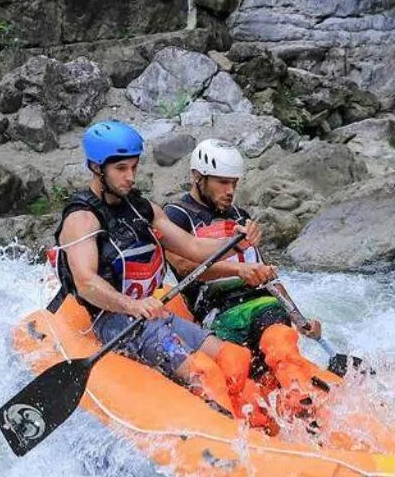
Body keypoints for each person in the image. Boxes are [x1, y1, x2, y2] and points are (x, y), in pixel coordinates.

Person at [52, 120, 262, 421]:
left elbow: (192, 247)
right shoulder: (82, 219)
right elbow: (86, 283)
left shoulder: (141, 208)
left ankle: (256, 420)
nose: (130, 177)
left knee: (234, 356)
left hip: (153, 312)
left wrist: (238, 242)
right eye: (121, 169)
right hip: (114, 320)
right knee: (203, 373)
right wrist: (132, 305)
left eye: (134, 168)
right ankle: (229, 433)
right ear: (98, 168)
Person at [163, 139, 329, 420]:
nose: (230, 191)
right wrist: (238, 271)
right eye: (222, 183)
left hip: (260, 304)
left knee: (278, 335)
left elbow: (265, 272)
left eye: (234, 184)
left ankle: (299, 401)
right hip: (216, 313)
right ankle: (260, 419)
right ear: (197, 177)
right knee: (242, 372)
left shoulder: (242, 217)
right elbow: (182, 265)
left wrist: (299, 318)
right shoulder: (177, 215)